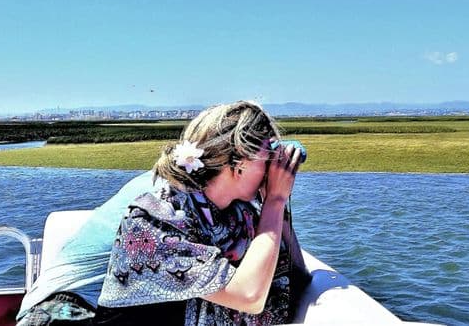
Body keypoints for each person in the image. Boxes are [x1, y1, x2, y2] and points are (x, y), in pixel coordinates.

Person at [16, 101, 308, 326]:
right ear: (239, 162)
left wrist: (277, 204)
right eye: (270, 156)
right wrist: (275, 200)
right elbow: (248, 296)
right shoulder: (158, 212)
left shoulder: (229, 211)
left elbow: (295, 277)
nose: (276, 166)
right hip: (66, 309)